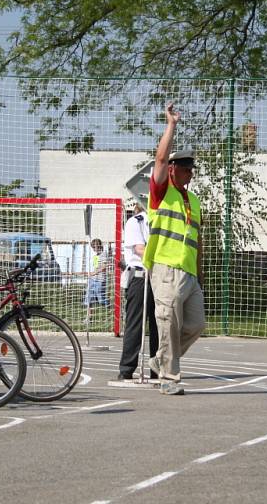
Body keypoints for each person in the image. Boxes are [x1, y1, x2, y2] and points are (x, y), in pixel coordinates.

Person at [143, 103, 206, 396]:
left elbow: (197, 239)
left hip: (190, 273)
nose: (189, 174)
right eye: (184, 169)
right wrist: (171, 125)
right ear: (172, 170)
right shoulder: (160, 191)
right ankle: (168, 377)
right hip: (165, 268)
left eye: (191, 170)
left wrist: (200, 274)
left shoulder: (193, 200)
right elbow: (159, 157)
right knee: (167, 324)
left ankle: (159, 359)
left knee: (195, 324)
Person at [117, 203, 158, 381]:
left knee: (160, 325)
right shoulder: (136, 222)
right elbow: (139, 249)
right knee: (135, 323)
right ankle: (127, 368)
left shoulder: (161, 222)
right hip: (141, 276)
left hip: (159, 275)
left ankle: (157, 368)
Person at [83, 238, 109, 307]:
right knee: (88, 296)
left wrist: (94, 273)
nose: (94, 249)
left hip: (100, 280)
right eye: (93, 247)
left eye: (95, 247)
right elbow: (95, 267)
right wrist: (90, 274)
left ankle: (108, 305)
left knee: (101, 299)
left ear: (99, 245)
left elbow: (104, 266)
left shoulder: (104, 253)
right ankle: (88, 313)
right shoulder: (95, 256)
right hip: (93, 279)